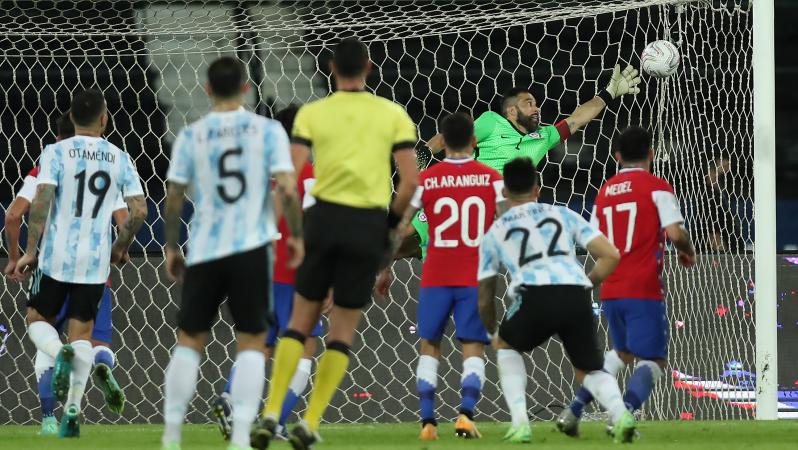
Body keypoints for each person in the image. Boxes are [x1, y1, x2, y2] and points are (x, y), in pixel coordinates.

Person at [250, 37, 419, 450]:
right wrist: (388, 229)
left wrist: (291, 234)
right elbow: (410, 183)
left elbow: (288, 179)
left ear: (330, 68)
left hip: (323, 221)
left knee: (298, 324)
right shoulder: (393, 114)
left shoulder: (312, 114)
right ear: (369, 68)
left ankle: (270, 413)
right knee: (341, 332)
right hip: (366, 225)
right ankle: (309, 422)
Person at [159, 57, 302, 450]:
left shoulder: (192, 134)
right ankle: (239, 438)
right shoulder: (268, 130)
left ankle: (171, 435)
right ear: (245, 88)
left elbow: (173, 197)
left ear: (207, 89)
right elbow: (287, 187)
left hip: (206, 247)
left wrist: (170, 246)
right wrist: (295, 236)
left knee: (189, 340)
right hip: (252, 248)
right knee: (253, 342)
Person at [13, 89, 148, 437]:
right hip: (95, 263)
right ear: (104, 119)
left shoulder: (55, 152)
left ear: (72, 118)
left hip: (56, 258)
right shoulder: (119, 157)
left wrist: (30, 250)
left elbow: (41, 202)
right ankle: (72, 411)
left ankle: (59, 354)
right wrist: (120, 246)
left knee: (36, 320)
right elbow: (139, 211)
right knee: (84, 335)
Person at [477, 157, 636, 444]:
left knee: (506, 346)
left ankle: (520, 424)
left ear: (504, 192)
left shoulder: (495, 231)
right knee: (588, 369)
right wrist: (586, 284)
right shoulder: (563, 214)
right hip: (575, 294)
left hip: (534, 295)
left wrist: (491, 331)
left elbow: (485, 294)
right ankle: (621, 414)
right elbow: (611, 255)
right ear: (537, 189)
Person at [559, 126, 696, 436]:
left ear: (618, 157)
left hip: (611, 287)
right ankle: (622, 416)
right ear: (651, 154)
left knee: (621, 352)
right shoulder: (657, 187)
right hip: (643, 287)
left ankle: (574, 410)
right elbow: (675, 233)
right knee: (654, 359)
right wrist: (687, 250)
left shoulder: (605, 192)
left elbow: (594, 242)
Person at [210, 104, 326, 442]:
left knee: (259, 346)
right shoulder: (309, 175)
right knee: (304, 347)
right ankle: (276, 420)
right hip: (295, 276)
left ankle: (229, 399)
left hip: (256, 271)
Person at [395, 112, 503, 441]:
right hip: (474, 274)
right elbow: (509, 221)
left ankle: (428, 422)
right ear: (474, 141)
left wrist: (384, 265)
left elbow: (401, 225)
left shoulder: (426, 180)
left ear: (441, 142)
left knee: (430, 344)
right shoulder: (491, 179)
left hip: (436, 274)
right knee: (472, 345)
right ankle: (466, 416)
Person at [426, 65, 641, 173]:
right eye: (529, 103)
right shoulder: (492, 121)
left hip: (507, 211)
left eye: (536, 104)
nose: (536, 108)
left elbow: (576, 119)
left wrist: (608, 94)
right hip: (470, 196)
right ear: (511, 111)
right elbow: (450, 138)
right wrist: (424, 154)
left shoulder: (543, 136)